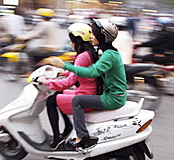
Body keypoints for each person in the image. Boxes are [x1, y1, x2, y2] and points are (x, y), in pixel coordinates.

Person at [47, 18, 127, 149]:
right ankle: (70, 130)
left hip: (112, 98)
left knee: (77, 101)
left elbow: (92, 72)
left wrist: (65, 66)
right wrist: (64, 71)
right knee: (62, 96)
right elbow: (86, 72)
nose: (91, 37)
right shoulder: (108, 52)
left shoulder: (108, 55)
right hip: (113, 95)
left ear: (102, 36)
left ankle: (82, 136)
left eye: (94, 34)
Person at [43, 23, 98, 150]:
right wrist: (63, 72)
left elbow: (69, 82)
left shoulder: (82, 57)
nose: (70, 43)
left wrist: (46, 82)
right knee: (58, 94)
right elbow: (79, 72)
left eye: (72, 41)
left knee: (50, 101)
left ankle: (57, 138)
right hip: (88, 92)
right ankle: (68, 126)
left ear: (77, 41)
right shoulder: (89, 53)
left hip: (84, 97)